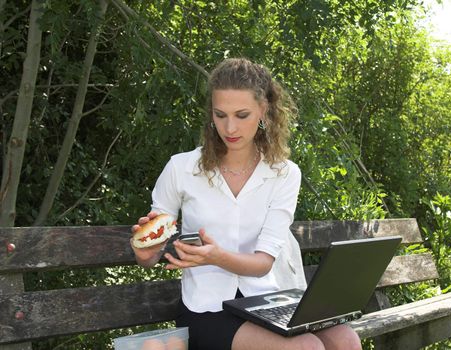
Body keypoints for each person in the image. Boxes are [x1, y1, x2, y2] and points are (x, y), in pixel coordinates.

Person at [131, 58, 362, 350]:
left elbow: (263, 263)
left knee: (346, 341)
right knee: (307, 348)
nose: (229, 127)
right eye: (220, 114)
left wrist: (216, 256)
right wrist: (146, 250)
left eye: (242, 115)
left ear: (263, 111)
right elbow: (149, 253)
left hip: (267, 301)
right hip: (207, 311)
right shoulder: (181, 168)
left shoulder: (284, 173)